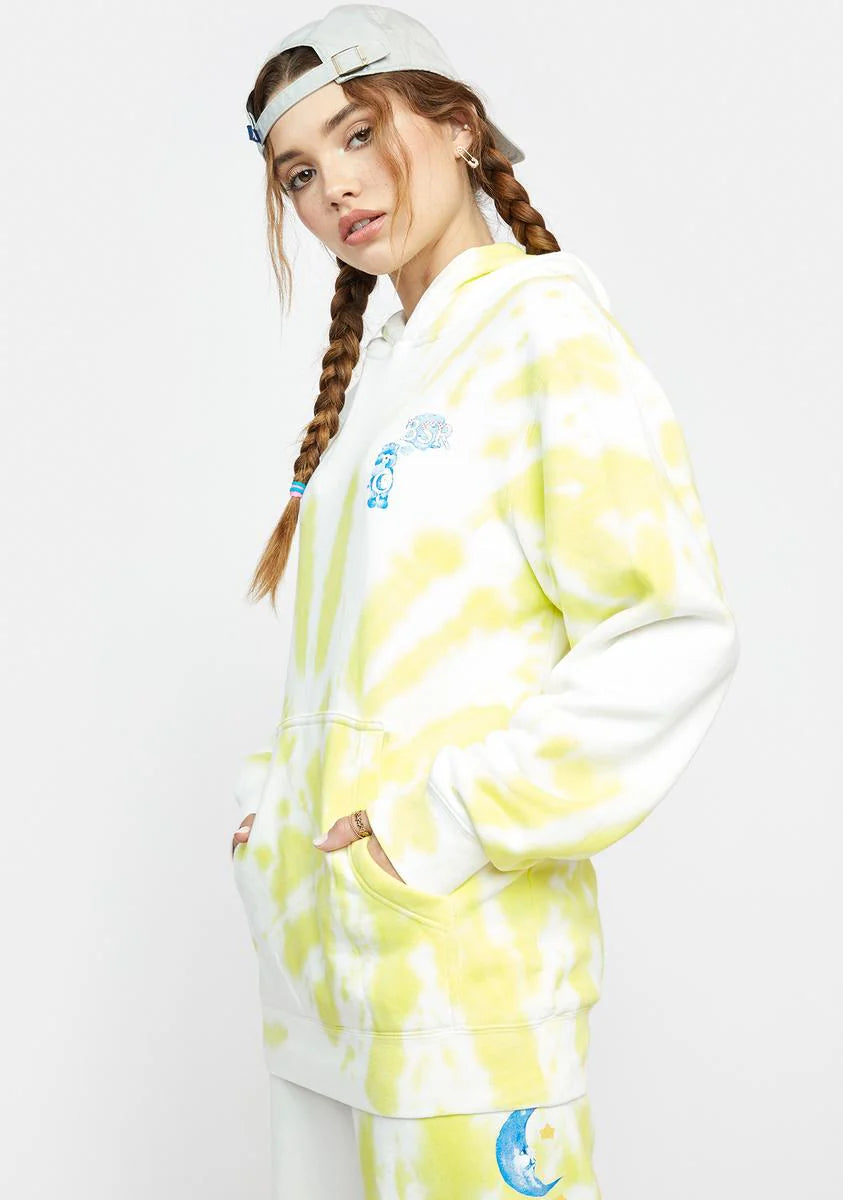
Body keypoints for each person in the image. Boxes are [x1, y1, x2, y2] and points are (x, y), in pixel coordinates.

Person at [229, 6, 740, 1197]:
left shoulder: (546, 332)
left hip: (463, 983)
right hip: (323, 982)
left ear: (459, 127)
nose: (333, 188)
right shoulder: (391, 373)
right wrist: (272, 812)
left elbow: (668, 635)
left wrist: (441, 825)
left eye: (360, 135)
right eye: (299, 173)